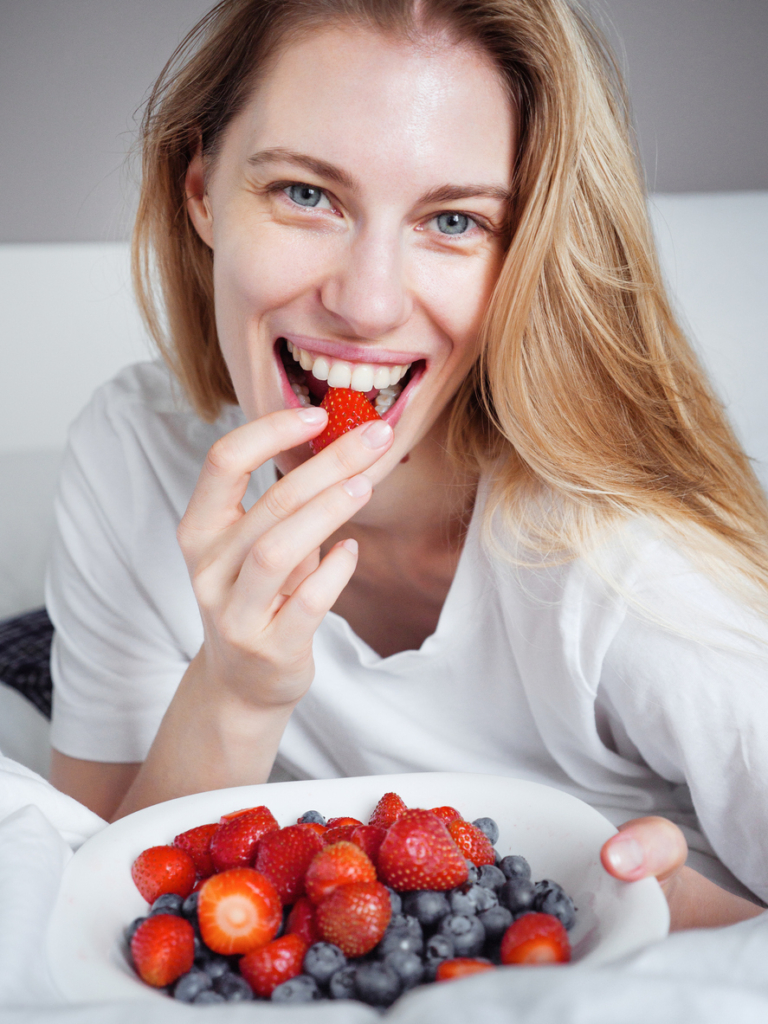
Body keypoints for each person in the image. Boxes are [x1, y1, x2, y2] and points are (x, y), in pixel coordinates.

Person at [46, 0, 767, 931]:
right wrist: (235, 684)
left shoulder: (631, 569)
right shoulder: (134, 454)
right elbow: (82, 913)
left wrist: (693, 924)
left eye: (455, 220)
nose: (367, 303)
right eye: (307, 194)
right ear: (201, 192)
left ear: (526, 256)